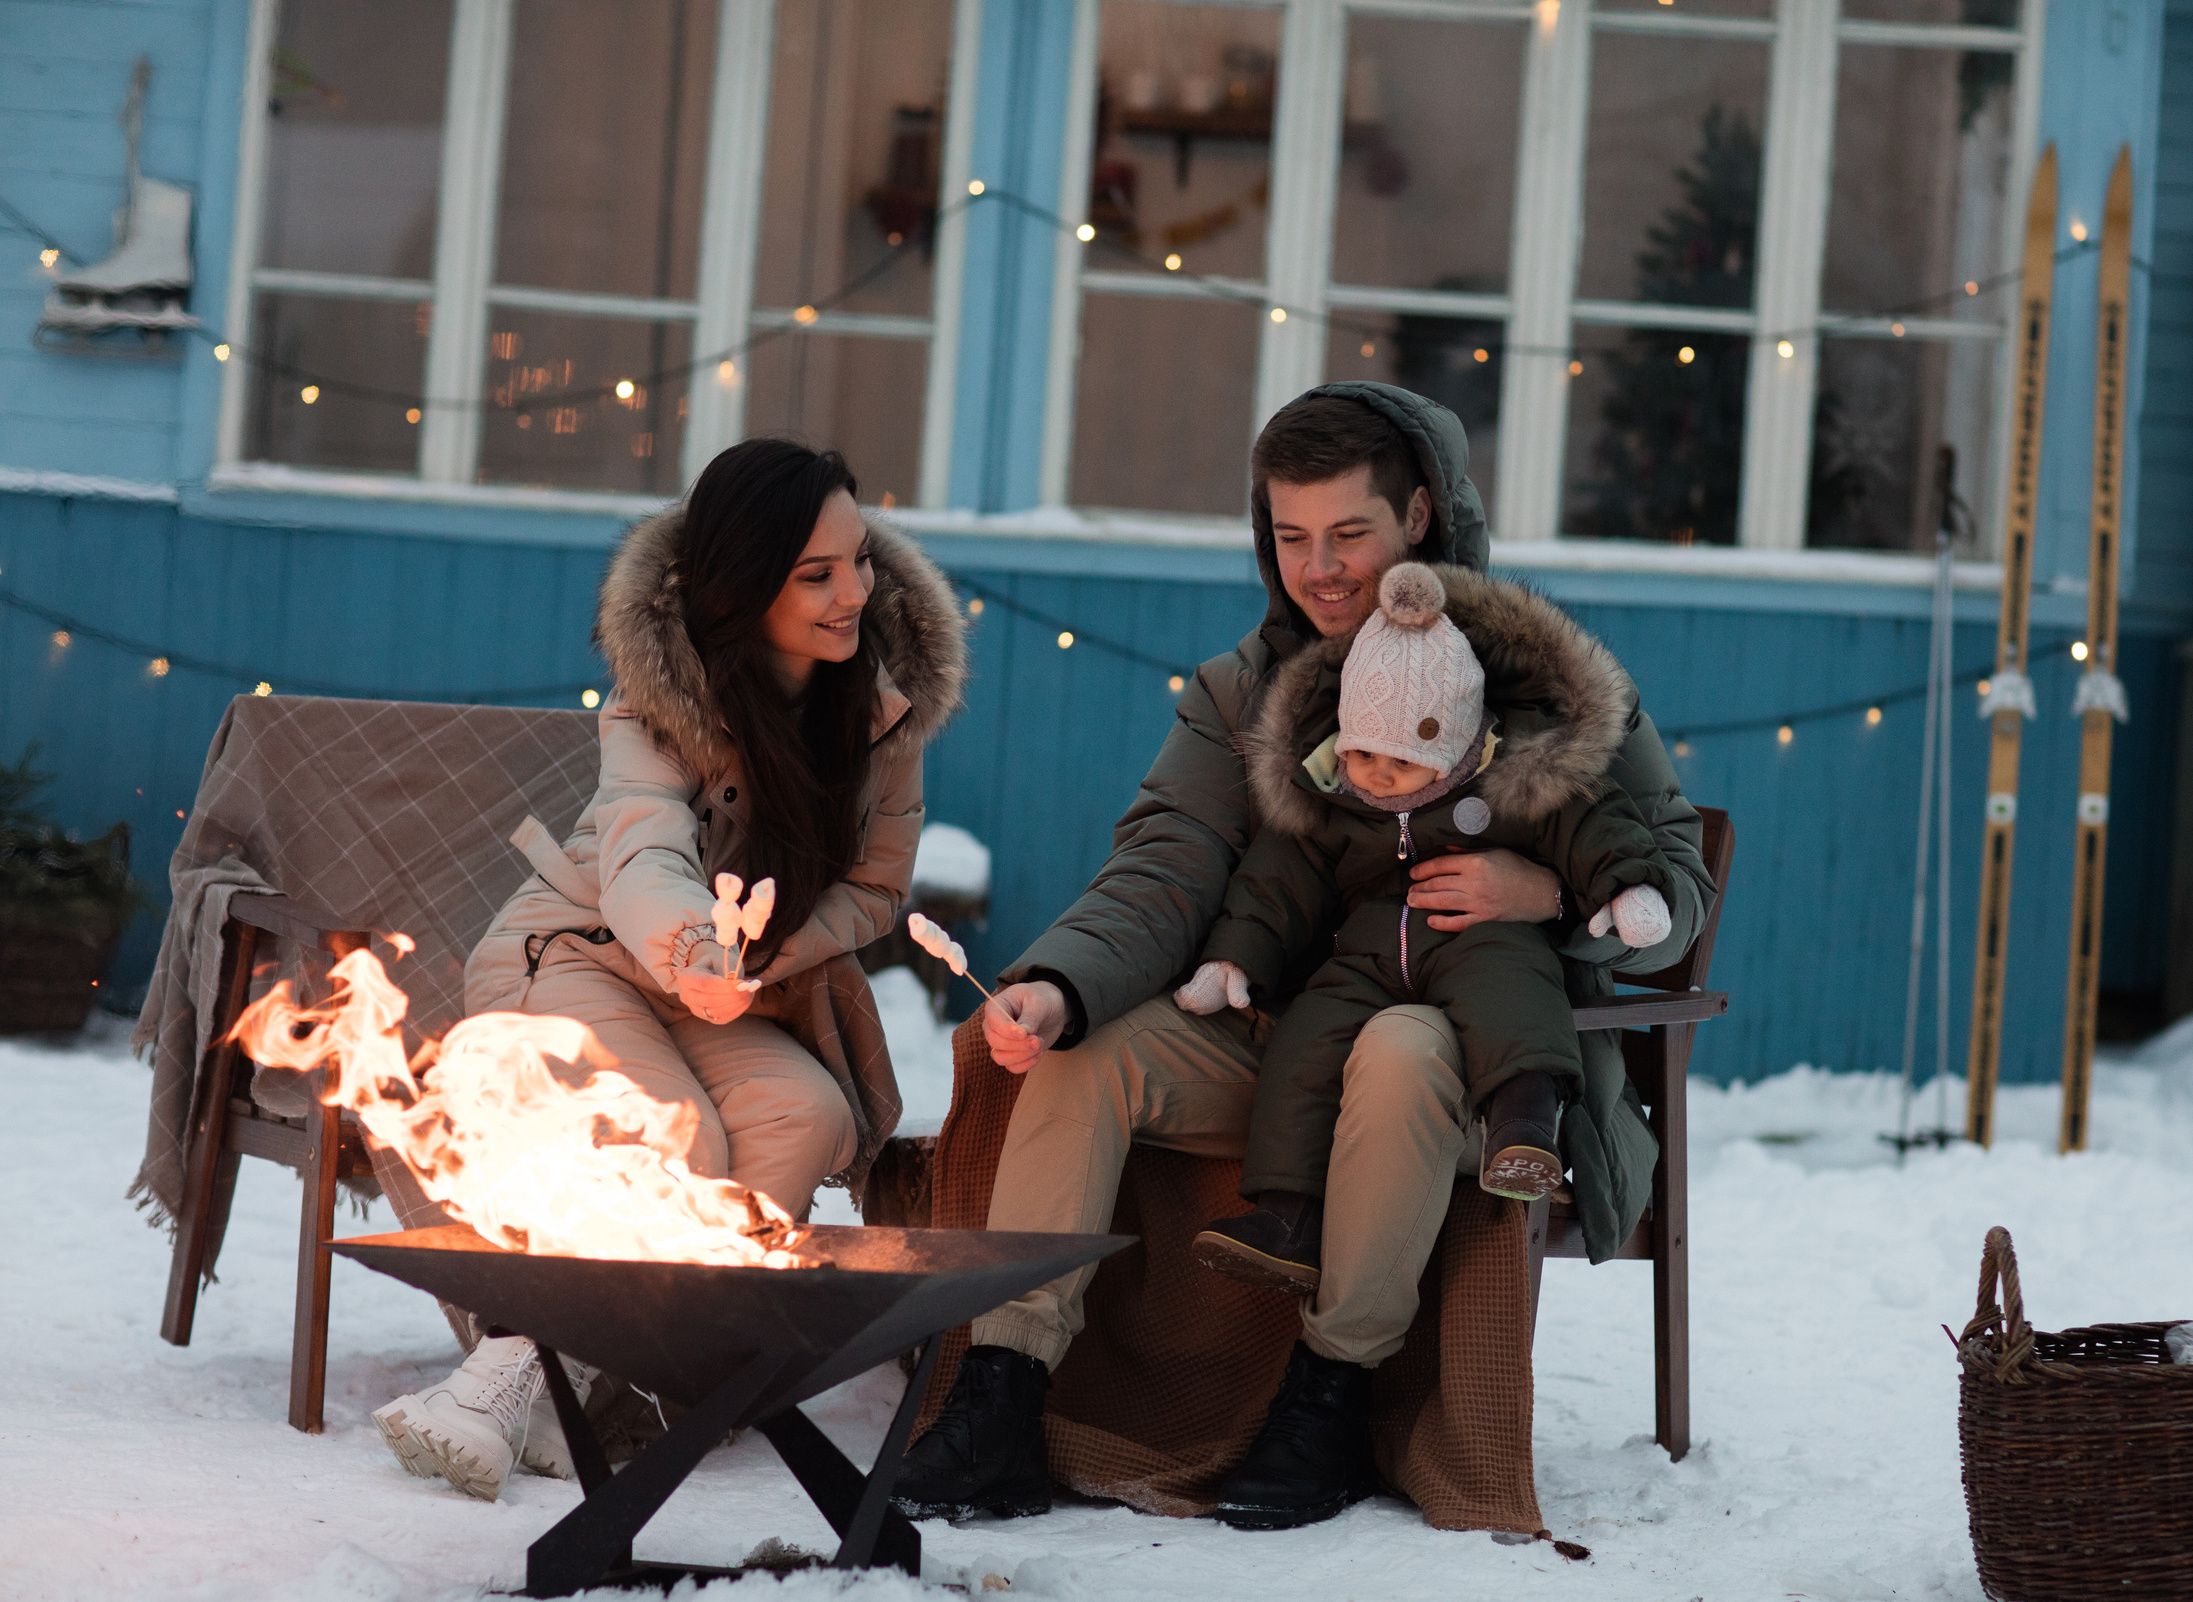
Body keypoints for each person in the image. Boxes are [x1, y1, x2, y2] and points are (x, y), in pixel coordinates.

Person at [893, 384, 1714, 1532]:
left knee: (1399, 1042)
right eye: (1290, 538)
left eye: (1348, 534)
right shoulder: (1245, 693)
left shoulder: (1539, 680)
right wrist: (1059, 982)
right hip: (1272, 1039)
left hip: (1465, 1046)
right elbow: (1165, 863)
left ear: (1419, 515)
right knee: (1086, 1056)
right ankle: (1004, 1394)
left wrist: (1555, 895)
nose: (1318, 569)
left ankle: (1327, 1397)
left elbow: (1669, 874)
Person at [375, 438, 965, 1501]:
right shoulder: (661, 705)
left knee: (805, 1112)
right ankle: (505, 1376)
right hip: (582, 957)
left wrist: (763, 955)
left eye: (859, 562)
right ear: (746, 589)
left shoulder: (880, 713)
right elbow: (642, 847)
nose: (854, 594)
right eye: (816, 575)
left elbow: (878, 889)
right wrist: (695, 946)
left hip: (731, 988)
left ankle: (606, 1387)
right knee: (673, 1127)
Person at [1177, 559, 1679, 1295]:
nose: (1376, 774)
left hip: (1485, 936)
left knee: (1513, 992)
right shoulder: (1340, 798)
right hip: (1371, 953)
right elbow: (1276, 881)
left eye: (1401, 758)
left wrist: (1627, 887)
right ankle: (1286, 1212)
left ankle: (1524, 1126)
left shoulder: (1511, 783)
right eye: (1364, 752)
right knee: (1305, 1039)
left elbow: (1594, 822)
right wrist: (1234, 958)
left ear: (1452, 745)